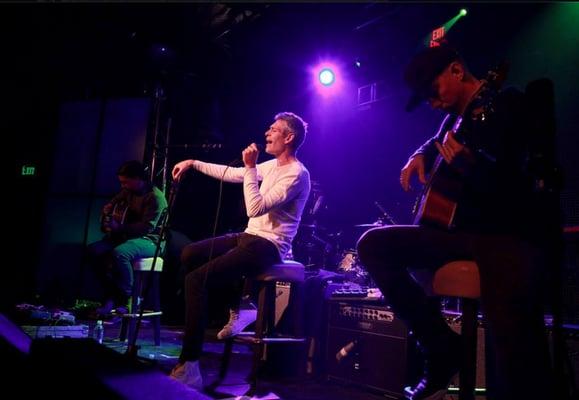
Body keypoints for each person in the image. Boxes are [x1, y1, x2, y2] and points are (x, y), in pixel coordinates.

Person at [357, 45, 560, 400]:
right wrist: (419, 153)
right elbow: (435, 141)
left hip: (502, 232)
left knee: (513, 345)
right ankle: (439, 346)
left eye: (433, 93)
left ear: (456, 70)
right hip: (455, 233)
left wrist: (475, 168)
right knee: (373, 245)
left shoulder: (507, 103)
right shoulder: (456, 120)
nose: (433, 104)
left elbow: (525, 184)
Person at [169, 112, 311, 389]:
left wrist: (250, 168)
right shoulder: (271, 166)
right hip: (249, 236)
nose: (267, 133)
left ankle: (190, 365)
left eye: (274, 130)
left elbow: (255, 208)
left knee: (196, 280)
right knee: (189, 254)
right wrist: (193, 163)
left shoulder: (296, 174)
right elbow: (232, 174)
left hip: (268, 245)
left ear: (289, 137)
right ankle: (241, 304)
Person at [87, 160, 168, 316]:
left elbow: (146, 227)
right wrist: (109, 208)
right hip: (129, 236)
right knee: (94, 251)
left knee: (120, 253)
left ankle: (128, 296)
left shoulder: (155, 198)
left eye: (126, 182)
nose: (123, 186)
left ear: (138, 179)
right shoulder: (128, 192)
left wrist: (120, 227)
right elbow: (114, 202)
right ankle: (114, 295)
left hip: (151, 241)